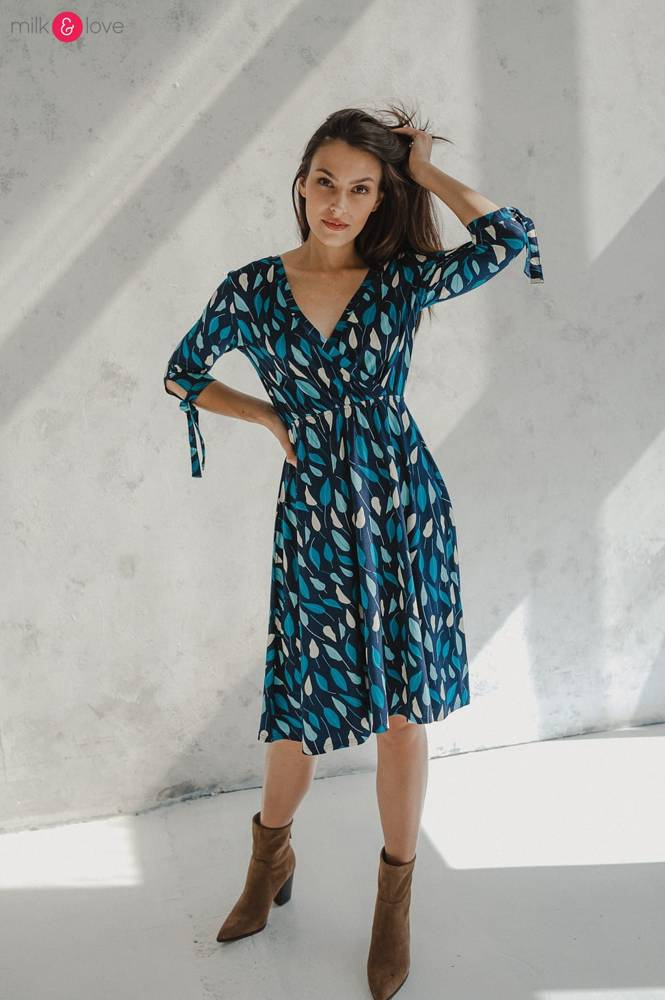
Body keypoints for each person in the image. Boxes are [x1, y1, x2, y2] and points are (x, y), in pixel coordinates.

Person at [163, 105, 543, 1000]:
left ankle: (392, 902)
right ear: (301, 185)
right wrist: (267, 414)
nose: (338, 203)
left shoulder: (401, 278)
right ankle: (269, 859)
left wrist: (427, 170)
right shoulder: (252, 289)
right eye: (326, 182)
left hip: (403, 510)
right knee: (300, 706)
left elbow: (507, 238)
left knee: (402, 714)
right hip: (314, 520)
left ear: (381, 199)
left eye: (361, 189)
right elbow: (184, 373)